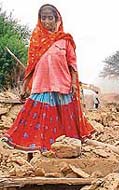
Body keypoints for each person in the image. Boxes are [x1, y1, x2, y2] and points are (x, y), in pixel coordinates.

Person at [2, 4, 94, 159]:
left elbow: (72, 64)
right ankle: (31, 149)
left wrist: (73, 83)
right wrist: (25, 87)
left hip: (62, 85)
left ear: (57, 19)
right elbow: (30, 67)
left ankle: (67, 150)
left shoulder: (65, 40)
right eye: (43, 18)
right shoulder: (36, 40)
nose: (46, 21)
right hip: (41, 86)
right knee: (34, 118)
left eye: (50, 18)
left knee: (64, 121)